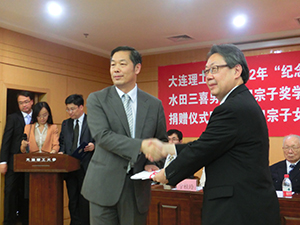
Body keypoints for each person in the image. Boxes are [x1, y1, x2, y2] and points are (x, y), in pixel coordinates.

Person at [147, 44, 281, 225]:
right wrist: (167, 148)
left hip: (238, 210)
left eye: (215, 69)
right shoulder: (241, 102)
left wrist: (167, 174)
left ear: (236, 70)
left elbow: (202, 150)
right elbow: (209, 144)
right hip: (247, 206)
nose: (208, 76)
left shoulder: (233, 108)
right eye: (206, 71)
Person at [81, 46, 168, 225]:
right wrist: (140, 146)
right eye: (112, 65)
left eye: (122, 64)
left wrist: (153, 162)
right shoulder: (97, 99)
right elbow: (103, 136)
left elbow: (161, 141)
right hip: (103, 187)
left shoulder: (154, 104)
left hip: (137, 189)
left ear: (137, 68)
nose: (116, 69)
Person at [59, 94, 94, 225]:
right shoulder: (65, 123)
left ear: (81, 107)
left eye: (72, 109)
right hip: (70, 167)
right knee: (72, 199)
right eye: (67, 109)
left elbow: (100, 140)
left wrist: (93, 146)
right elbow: (62, 141)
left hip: (86, 166)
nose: (70, 112)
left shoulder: (91, 121)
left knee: (84, 200)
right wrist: (61, 151)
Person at [0, 91, 33, 225]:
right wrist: (3, 161)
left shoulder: (38, 117)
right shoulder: (13, 117)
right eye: (21, 103)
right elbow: (6, 140)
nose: (24, 105)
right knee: (10, 191)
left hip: (31, 162)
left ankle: (26, 220)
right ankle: (9, 221)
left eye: (26, 102)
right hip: (14, 160)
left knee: (27, 192)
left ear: (31, 102)